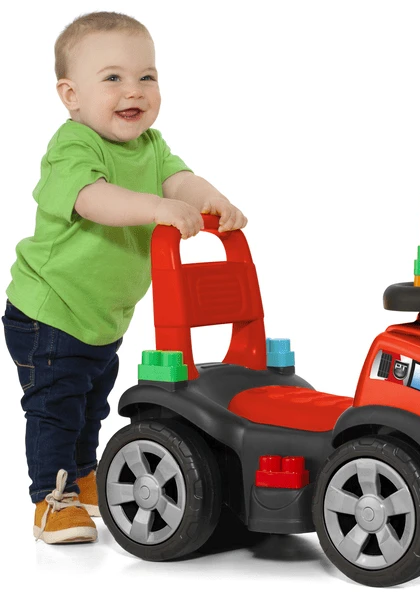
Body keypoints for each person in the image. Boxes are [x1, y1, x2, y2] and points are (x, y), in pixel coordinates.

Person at [2, 11, 247, 544]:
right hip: (50, 310)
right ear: (71, 95)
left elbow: (180, 180)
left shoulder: (151, 146)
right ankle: (51, 499)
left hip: (102, 316)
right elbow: (94, 200)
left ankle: (82, 474)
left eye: (146, 76)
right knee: (56, 408)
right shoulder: (73, 146)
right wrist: (155, 208)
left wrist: (213, 201)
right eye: (112, 77)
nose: (133, 90)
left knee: (93, 401)